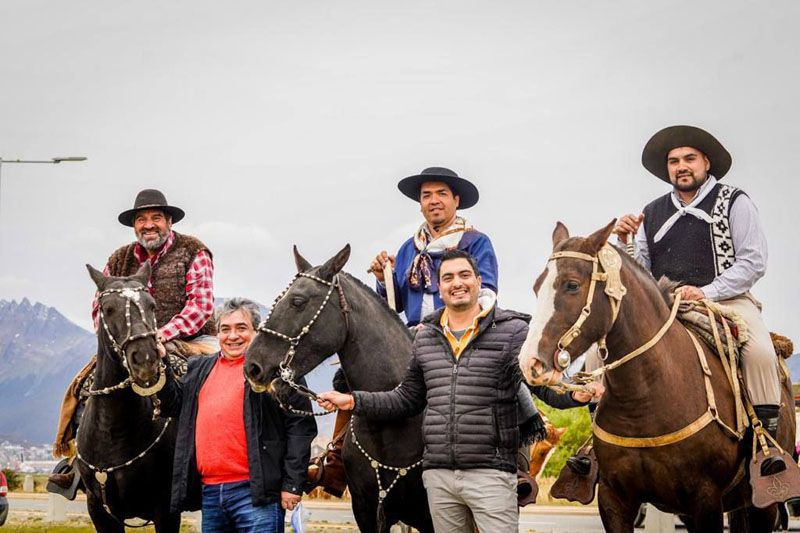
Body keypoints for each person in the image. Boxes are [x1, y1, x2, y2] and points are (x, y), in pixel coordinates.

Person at [318, 250, 601, 532]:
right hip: (440, 478)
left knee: (521, 399)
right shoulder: (425, 336)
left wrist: (573, 394)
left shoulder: (513, 329)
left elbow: (542, 384)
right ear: (440, 287)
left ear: (479, 282)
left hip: (490, 475)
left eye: (465, 275)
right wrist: (354, 400)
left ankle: (521, 464)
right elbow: (406, 398)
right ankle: (333, 461)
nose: (457, 283)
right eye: (448, 278)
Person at [614, 124, 784, 476]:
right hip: (667, 305)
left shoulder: (735, 201)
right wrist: (624, 241)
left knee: (760, 352)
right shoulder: (652, 211)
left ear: (706, 162)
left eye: (689, 158)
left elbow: (753, 260)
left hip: (728, 300)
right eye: (674, 161)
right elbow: (641, 273)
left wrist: (706, 291)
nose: (681, 166)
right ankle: (602, 449)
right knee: (610, 348)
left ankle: (767, 446)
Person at [50, 189, 218, 489]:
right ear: (134, 225)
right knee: (83, 386)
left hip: (192, 338)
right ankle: (77, 464)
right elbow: (99, 305)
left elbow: (200, 307)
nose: (148, 224)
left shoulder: (194, 251)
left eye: (156, 218)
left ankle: (214, 462)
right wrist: (119, 341)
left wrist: (161, 335)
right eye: (142, 219)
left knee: (215, 383)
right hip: (129, 343)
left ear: (168, 221)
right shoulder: (119, 258)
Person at [157, 298, 317, 532]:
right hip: (211, 494)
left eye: (241, 328)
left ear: (256, 331)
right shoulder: (199, 369)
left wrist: (293, 484)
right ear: (217, 334)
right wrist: (160, 360)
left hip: (256, 494)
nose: (232, 336)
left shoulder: (274, 370)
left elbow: (300, 426)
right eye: (225, 329)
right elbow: (173, 405)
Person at [369, 166, 497, 326]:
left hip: (461, 334)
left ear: (456, 201)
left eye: (442, 193)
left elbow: (486, 294)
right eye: (426, 195)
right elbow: (396, 305)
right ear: (420, 204)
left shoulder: (475, 242)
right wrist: (384, 278)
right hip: (414, 337)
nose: (434, 200)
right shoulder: (409, 249)